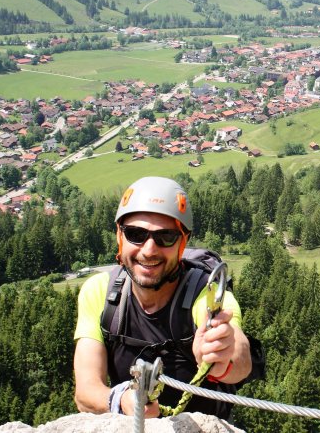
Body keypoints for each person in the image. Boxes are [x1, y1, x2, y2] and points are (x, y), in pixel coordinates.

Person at [73, 176, 253, 418]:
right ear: (119, 235)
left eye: (165, 237)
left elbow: (239, 356)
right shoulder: (101, 293)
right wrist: (123, 400)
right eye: (136, 234)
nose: (149, 250)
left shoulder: (205, 295)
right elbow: (85, 392)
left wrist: (220, 357)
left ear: (183, 243)